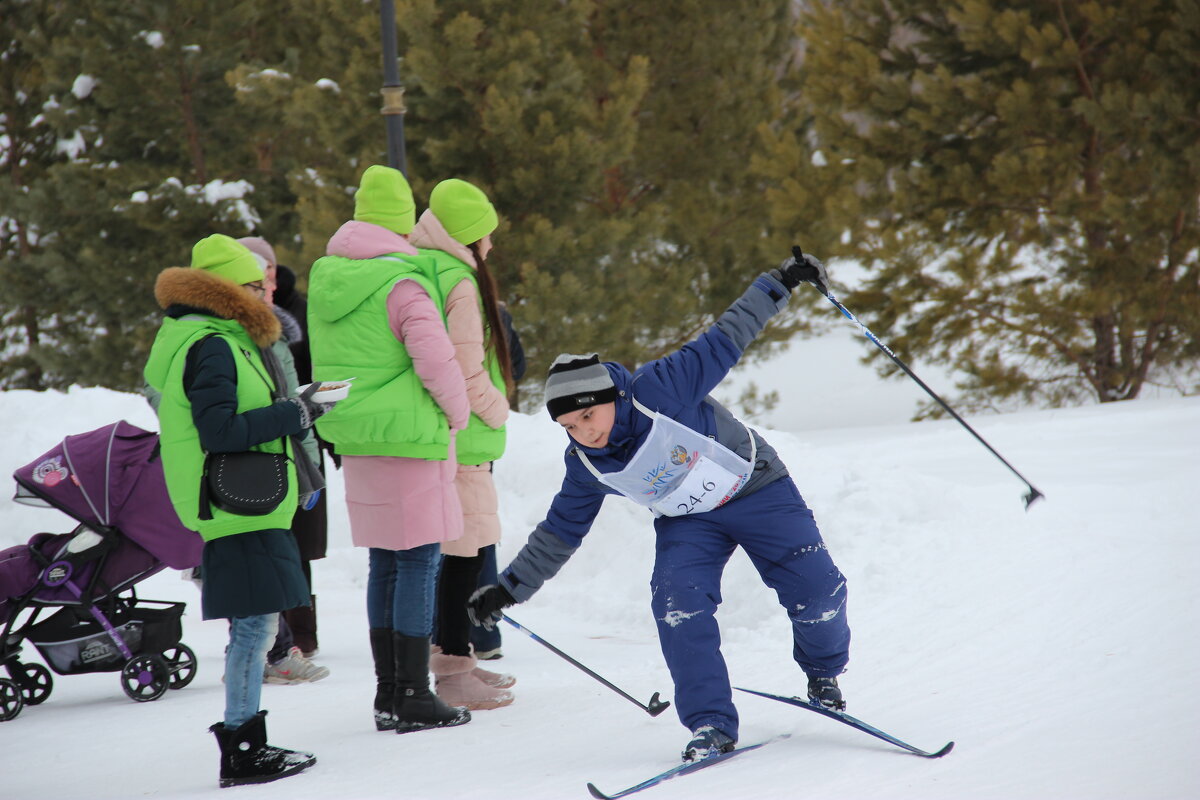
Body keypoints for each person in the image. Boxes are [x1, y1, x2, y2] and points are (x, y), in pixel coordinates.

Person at [467, 252, 852, 763]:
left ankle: (822, 671)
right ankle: (711, 723)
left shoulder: (659, 388)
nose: (585, 432)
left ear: (610, 396)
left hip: (756, 488)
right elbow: (561, 530)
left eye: (588, 416)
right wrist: (509, 588)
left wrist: (779, 282)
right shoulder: (586, 462)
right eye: (570, 427)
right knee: (677, 606)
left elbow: (725, 338)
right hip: (689, 521)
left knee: (819, 591)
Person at [143, 233, 319, 787]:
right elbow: (218, 429)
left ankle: (246, 743)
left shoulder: (214, 335)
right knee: (253, 629)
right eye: (253, 285)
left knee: (257, 624)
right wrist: (294, 413)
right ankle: (242, 750)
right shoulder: (212, 343)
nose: (265, 293)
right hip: (234, 500)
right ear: (226, 291)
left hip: (242, 498)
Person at [307, 164, 473, 734]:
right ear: (403, 226)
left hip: (357, 438)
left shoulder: (328, 279)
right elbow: (437, 360)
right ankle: (413, 695)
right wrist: (458, 413)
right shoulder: (403, 283)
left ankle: (386, 694)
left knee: (384, 560)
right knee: (420, 560)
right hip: (409, 437)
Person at [411, 179, 515, 710]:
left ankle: (459, 663)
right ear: (468, 236)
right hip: (467, 435)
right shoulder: (460, 280)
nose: (491, 246)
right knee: (464, 558)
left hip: (435, 433)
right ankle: (453, 670)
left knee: (455, 556)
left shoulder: (419, 267)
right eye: (486, 236)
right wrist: (500, 410)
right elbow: (467, 367)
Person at [239, 236, 331, 678]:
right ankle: (271, 646)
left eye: (270, 275)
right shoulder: (237, 327)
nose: (269, 285)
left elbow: (311, 369)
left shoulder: (295, 310)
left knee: (299, 546)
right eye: (260, 281)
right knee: (269, 548)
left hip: (297, 438)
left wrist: (317, 438)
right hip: (262, 449)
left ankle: (298, 637)